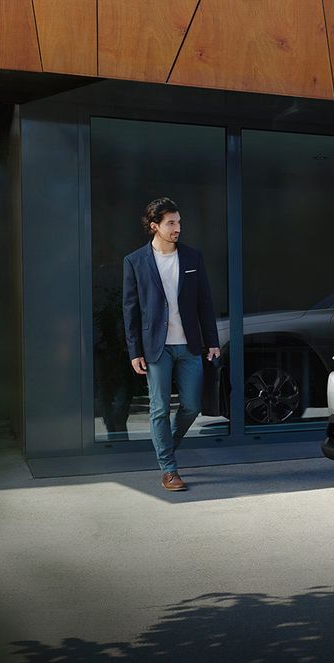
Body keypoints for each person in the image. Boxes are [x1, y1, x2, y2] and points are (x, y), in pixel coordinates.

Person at [122, 197, 220, 491]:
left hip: (189, 345)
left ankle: (165, 448)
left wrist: (212, 341)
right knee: (159, 409)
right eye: (171, 223)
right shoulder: (135, 261)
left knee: (191, 406)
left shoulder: (192, 258)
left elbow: (205, 302)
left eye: (179, 222)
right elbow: (130, 310)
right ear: (155, 227)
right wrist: (134, 351)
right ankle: (169, 469)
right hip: (156, 347)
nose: (178, 228)